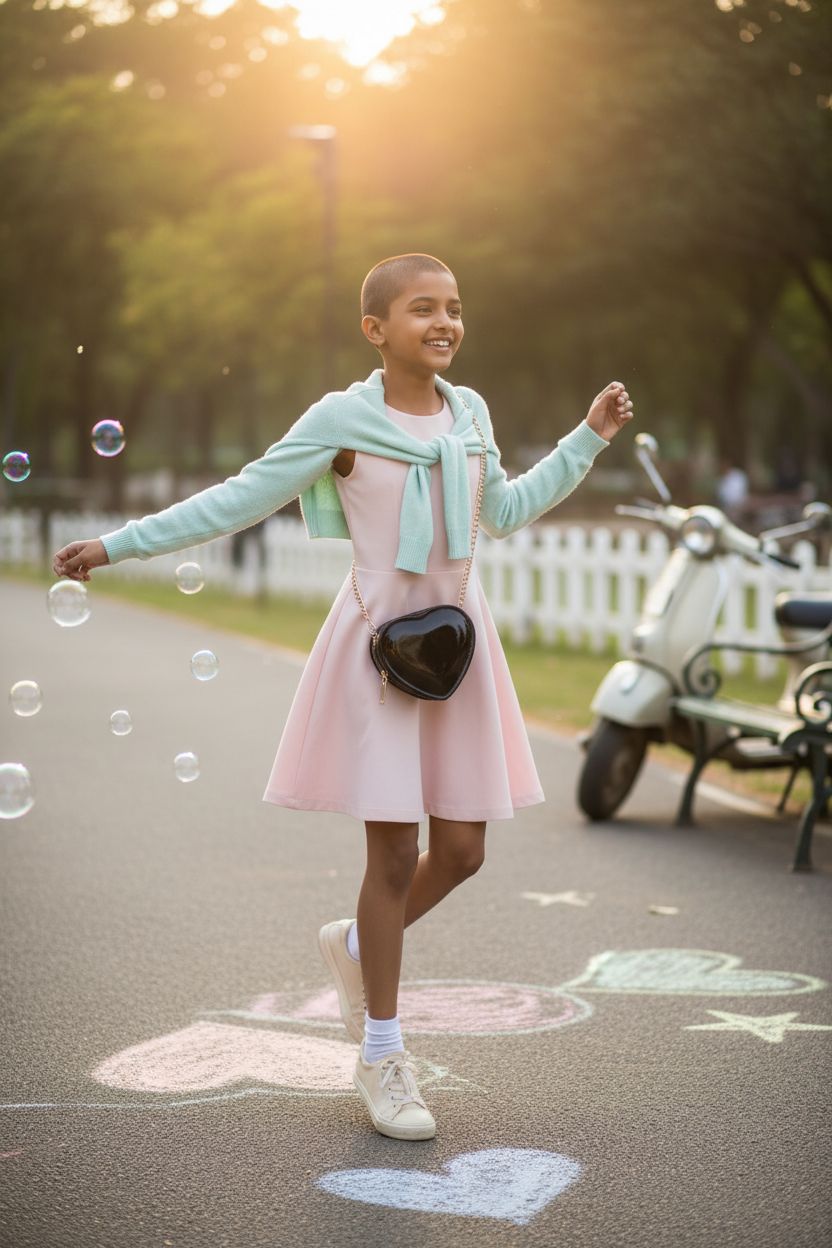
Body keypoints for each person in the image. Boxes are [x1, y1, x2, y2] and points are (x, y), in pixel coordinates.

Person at [53, 253, 634, 1141]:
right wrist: (116, 545)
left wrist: (586, 436)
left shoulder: (469, 413)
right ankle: (382, 1055)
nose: (444, 323)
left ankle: (359, 943)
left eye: (454, 308)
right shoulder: (342, 419)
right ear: (376, 329)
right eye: (422, 309)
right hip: (378, 648)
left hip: (458, 645)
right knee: (392, 857)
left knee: (464, 851)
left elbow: (507, 511)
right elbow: (239, 499)